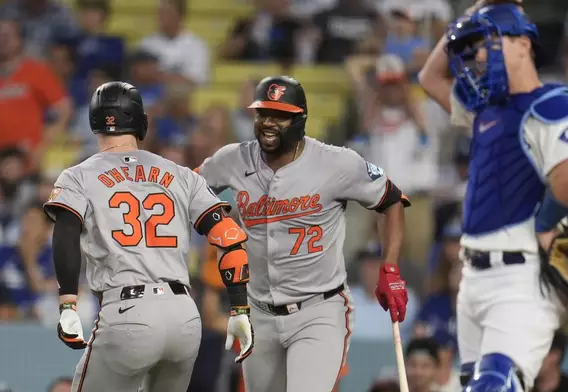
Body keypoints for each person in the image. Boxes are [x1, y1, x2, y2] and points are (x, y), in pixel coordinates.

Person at [419, 1, 568, 391]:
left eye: (489, 43)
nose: (479, 55)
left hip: (520, 278)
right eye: (476, 46)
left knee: (495, 385)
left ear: (522, 44)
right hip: (472, 279)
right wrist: (477, 9)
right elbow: (430, 77)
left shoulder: (548, 102)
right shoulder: (485, 110)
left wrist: (547, 222)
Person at [195, 75, 411, 392]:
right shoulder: (233, 158)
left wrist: (390, 266)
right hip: (259, 313)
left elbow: (391, 200)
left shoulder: (336, 163)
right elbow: (186, 188)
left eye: (279, 115)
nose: (268, 122)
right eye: (262, 113)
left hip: (318, 310)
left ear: (300, 119)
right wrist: (211, 217)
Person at [43, 81, 253, 392]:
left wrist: (68, 303)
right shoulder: (181, 174)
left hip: (127, 311)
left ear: (95, 122)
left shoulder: (79, 175)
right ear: (141, 122)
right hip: (184, 316)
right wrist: (239, 307)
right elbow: (230, 237)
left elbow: (65, 234)